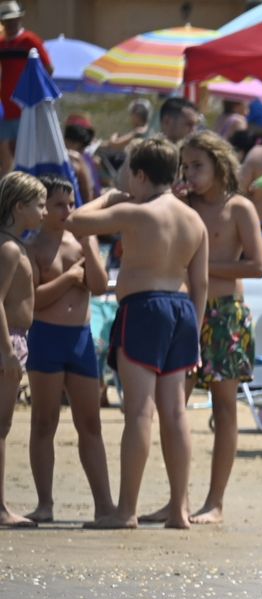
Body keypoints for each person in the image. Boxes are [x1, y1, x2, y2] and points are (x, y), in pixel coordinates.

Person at [69, 139, 208, 531]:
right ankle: (179, 510)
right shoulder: (193, 219)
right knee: (175, 413)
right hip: (182, 311)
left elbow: (75, 221)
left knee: (140, 412)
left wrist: (109, 197)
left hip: (144, 309)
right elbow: (200, 284)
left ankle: (126, 510)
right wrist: (195, 336)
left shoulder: (135, 212)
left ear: (140, 175)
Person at [170, 130, 262, 526]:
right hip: (185, 309)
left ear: (219, 165)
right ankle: (177, 500)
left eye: (198, 166)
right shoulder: (181, 205)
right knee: (173, 406)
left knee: (225, 408)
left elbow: (257, 265)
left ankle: (214, 502)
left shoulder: (238, 207)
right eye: (185, 166)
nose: (190, 174)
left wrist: (203, 266)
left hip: (225, 313)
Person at [24, 175, 111, 524]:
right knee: (44, 422)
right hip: (46, 336)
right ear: (43, 209)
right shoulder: (32, 247)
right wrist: (69, 279)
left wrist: (89, 244)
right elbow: (33, 301)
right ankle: (45, 502)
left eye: (71, 203)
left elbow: (100, 286)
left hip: (80, 339)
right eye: (59, 204)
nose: (68, 211)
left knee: (90, 423)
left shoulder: (81, 243)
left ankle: (104, 504)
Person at [0, 170, 43, 527]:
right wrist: (7, 352)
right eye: (38, 205)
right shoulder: (10, 248)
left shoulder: (15, 244)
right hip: (7, 341)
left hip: (16, 339)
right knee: (0, 426)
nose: (43, 212)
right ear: (18, 207)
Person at [0, 1, 49, 175]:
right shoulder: (1, 43)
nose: (11, 23)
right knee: (5, 151)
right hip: (5, 108)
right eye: (7, 20)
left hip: (26, 107)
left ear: (20, 19)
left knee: (25, 150)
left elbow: (48, 69)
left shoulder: (30, 40)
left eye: (14, 19)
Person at [62, 122, 100, 201]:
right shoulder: (76, 158)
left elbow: (88, 190)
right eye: (80, 148)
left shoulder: (80, 159)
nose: (82, 151)